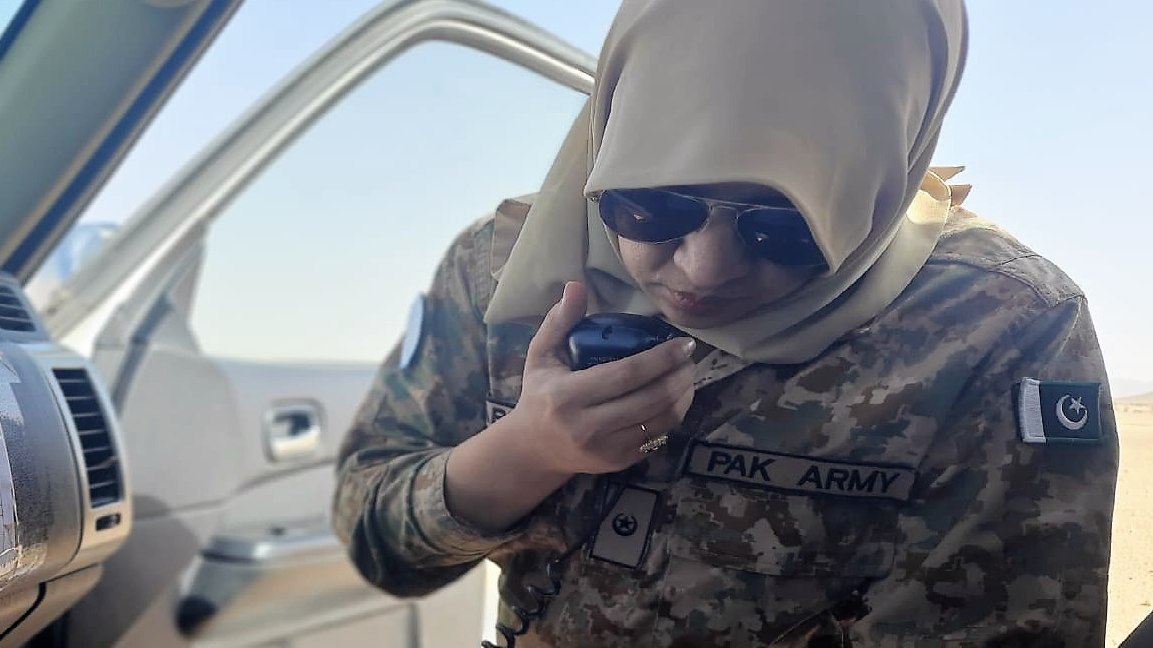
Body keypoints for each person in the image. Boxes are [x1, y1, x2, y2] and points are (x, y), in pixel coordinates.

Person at [332, 0, 1119, 646]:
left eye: (783, 226)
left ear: (877, 185)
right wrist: (524, 453)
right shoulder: (499, 268)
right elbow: (378, 544)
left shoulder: (1001, 326)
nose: (702, 270)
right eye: (654, 205)